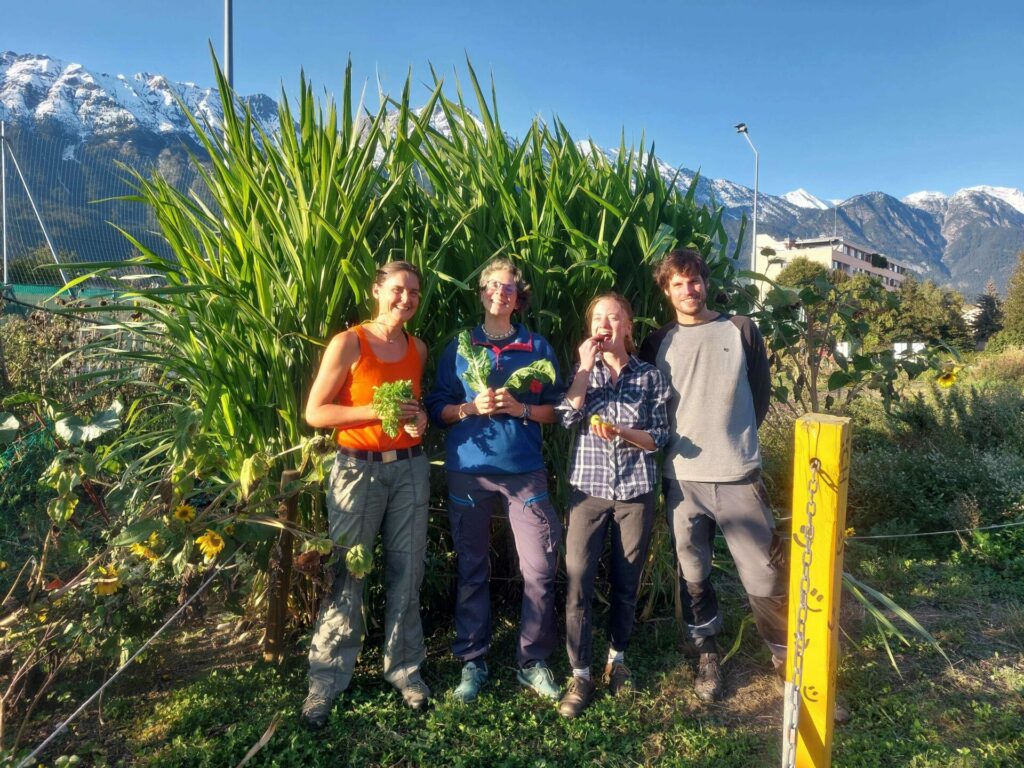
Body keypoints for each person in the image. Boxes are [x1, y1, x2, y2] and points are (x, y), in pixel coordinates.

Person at [639, 248, 787, 703]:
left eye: (695, 280)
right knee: (694, 571)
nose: (689, 289)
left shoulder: (741, 329)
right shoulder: (656, 341)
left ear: (706, 281)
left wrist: (734, 440)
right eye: (678, 283)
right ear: (666, 291)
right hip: (682, 479)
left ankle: (789, 661)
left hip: (739, 474)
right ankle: (706, 654)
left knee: (765, 574)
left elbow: (759, 397)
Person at [425, 258, 564, 704]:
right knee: (471, 567)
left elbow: (557, 411)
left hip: (524, 472)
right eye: (491, 286)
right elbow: (437, 410)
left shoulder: (536, 346)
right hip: (468, 469)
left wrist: (517, 408)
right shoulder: (460, 348)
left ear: (517, 296)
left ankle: (532, 661)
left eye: (508, 287)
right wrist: (471, 408)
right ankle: (472, 660)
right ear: (481, 293)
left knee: (539, 568)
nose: (499, 293)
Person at [301, 261, 431, 728]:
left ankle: (405, 670)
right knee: (347, 573)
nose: (406, 299)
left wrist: (419, 420)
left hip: (410, 470)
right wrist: (376, 410)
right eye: (398, 289)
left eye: (414, 292)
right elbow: (316, 412)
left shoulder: (417, 347)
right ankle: (327, 678)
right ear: (377, 291)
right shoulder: (349, 342)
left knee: (407, 570)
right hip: (357, 472)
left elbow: (415, 408)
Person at [554, 293, 670, 718]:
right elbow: (566, 417)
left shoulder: (649, 377)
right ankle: (580, 672)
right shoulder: (584, 371)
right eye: (597, 317)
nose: (604, 323)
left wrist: (623, 432)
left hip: (636, 491)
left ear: (628, 325)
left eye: (613, 316)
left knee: (626, 581)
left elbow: (659, 437)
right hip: (588, 491)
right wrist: (584, 368)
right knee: (578, 579)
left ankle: (615, 660)